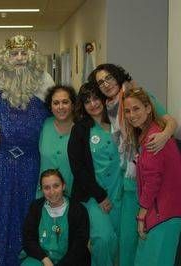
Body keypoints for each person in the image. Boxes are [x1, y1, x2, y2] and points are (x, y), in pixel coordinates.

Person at [88, 63, 178, 266]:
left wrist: (164, 135)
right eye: (100, 82)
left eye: (109, 78)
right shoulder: (108, 108)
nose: (106, 84)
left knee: (147, 243)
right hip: (128, 182)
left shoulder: (136, 98)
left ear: (118, 76)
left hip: (149, 183)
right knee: (127, 241)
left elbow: (170, 121)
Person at [0, 35, 55, 265]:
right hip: (1, 163)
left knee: (29, 211)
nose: (20, 59)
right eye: (14, 54)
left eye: (24, 53)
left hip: (32, 163)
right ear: (5, 58)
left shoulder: (46, 92)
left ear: (32, 58)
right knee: (0, 214)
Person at [122, 87, 181, 266]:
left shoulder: (154, 138)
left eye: (136, 109)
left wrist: (141, 215)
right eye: (127, 111)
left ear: (148, 108)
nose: (132, 115)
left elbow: (153, 181)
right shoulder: (149, 134)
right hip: (162, 212)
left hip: (163, 213)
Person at [68, 82, 122, 266]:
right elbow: (78, 168)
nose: (93, 104)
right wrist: (99, 195)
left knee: (121, 241)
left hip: (121, 192)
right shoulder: (80, 129)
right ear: (82, 106)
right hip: (93, 196)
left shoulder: (118, 122)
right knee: (104, 239)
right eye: (87, 101)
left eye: (96, 98)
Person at [21, 169, 90, 266]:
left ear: (63, 186)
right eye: (47, 188)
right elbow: (28, 239)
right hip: (41, 259)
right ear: (42, 190)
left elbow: (79, 246)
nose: (52, 192)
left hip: (71, 261)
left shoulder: (78, 210)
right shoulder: (36, 207)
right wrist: (44, 259)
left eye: (56, 186)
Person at [37, 85, 77, 198]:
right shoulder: (44, 125)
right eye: (56, 103)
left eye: (65, 102)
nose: (60, 107)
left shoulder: (81, 128)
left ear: (73, 105)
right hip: (45, 195)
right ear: (50, 106)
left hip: (73, 196)